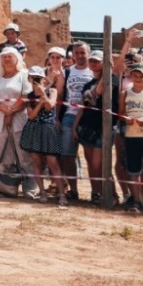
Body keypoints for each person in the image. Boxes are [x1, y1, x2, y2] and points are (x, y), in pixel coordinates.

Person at [0, 47, 37, 198]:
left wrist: (11, 111)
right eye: (4, 56)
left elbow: (26, 96)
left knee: (24, 156)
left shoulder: (23, 75)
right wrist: (3, 109)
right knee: (5, 157)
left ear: (16, 59)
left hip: (20, 119)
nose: (7, 59)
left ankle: (29, 189)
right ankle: (6, 187)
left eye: (10, 56)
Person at [72, 50, 119, 204]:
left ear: (104, 63)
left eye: (97, 61)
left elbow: (98, 92)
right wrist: (75, 126)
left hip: (102, 128)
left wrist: (108, 69)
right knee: (90, 164)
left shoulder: (111, 80)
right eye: (91, 60)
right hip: (86, 125)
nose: (93, 63)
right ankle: (96, 193)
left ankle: (112, 195)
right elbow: (83, 106)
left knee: (100, 164)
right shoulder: (87, 84)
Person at [19, 66, 68, 205]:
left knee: (53, 162)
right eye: (33, 78)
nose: (35, 81)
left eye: (38, 78)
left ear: (43, 79)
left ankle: (62, 194)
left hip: (48, 129)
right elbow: (31, 115)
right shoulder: (28, 96)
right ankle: (42, 192)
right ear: (29, 79)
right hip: (35, 128)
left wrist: (42, 96)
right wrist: (40, 103)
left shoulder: (51, 90)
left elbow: (50, 106)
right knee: (36, 161)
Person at [59, 42, 94, 201]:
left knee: (92, 157)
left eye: (82, 53)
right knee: (68, 155)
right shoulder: (66, 72)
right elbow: (60, 96)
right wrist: (56, 117)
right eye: (77, 53)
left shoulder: (94, 72)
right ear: (73, 55)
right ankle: (73, 190)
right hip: (69, 115)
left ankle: (96, 191)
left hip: (89, 118)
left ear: (88, 53)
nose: (80, 56)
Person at [119, 62, 143, 212]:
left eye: (141, 76)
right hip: (132, 135)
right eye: (135, 75)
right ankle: (136, 201)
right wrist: (125, 119)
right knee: (134, 169)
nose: (137, 78)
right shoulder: (125, 93)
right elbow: (121, 113)